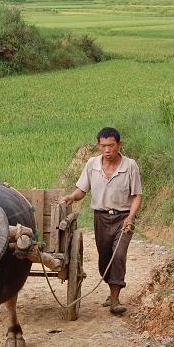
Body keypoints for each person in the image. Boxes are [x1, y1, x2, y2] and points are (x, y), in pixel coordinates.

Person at [61, 127, 142, 315]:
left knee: (119, 254)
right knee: (104, 260)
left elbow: (137, 195)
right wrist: (72, 197)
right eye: (104, 146)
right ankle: (111, 285)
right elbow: (82, 190)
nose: (107, 150)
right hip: (101, 218)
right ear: (99, 146)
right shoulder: (92, 165)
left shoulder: (130, 166)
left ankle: (115, 299)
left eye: (111, 146)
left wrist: (130, 217)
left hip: (123, 218)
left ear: (119, 145)